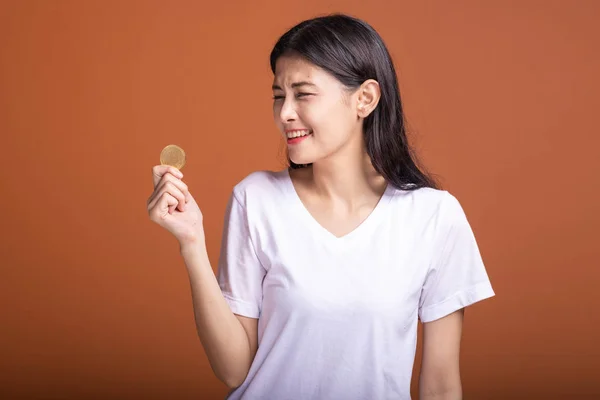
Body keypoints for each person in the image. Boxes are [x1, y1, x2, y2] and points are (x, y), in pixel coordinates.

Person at [147, 13, 495, 400]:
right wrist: (191, 243)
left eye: (303, 93)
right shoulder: (255, 198)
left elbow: (442, 385)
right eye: (279, 95)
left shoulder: (434, 217)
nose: (285, 113)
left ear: (364, 99)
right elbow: (233, 369)